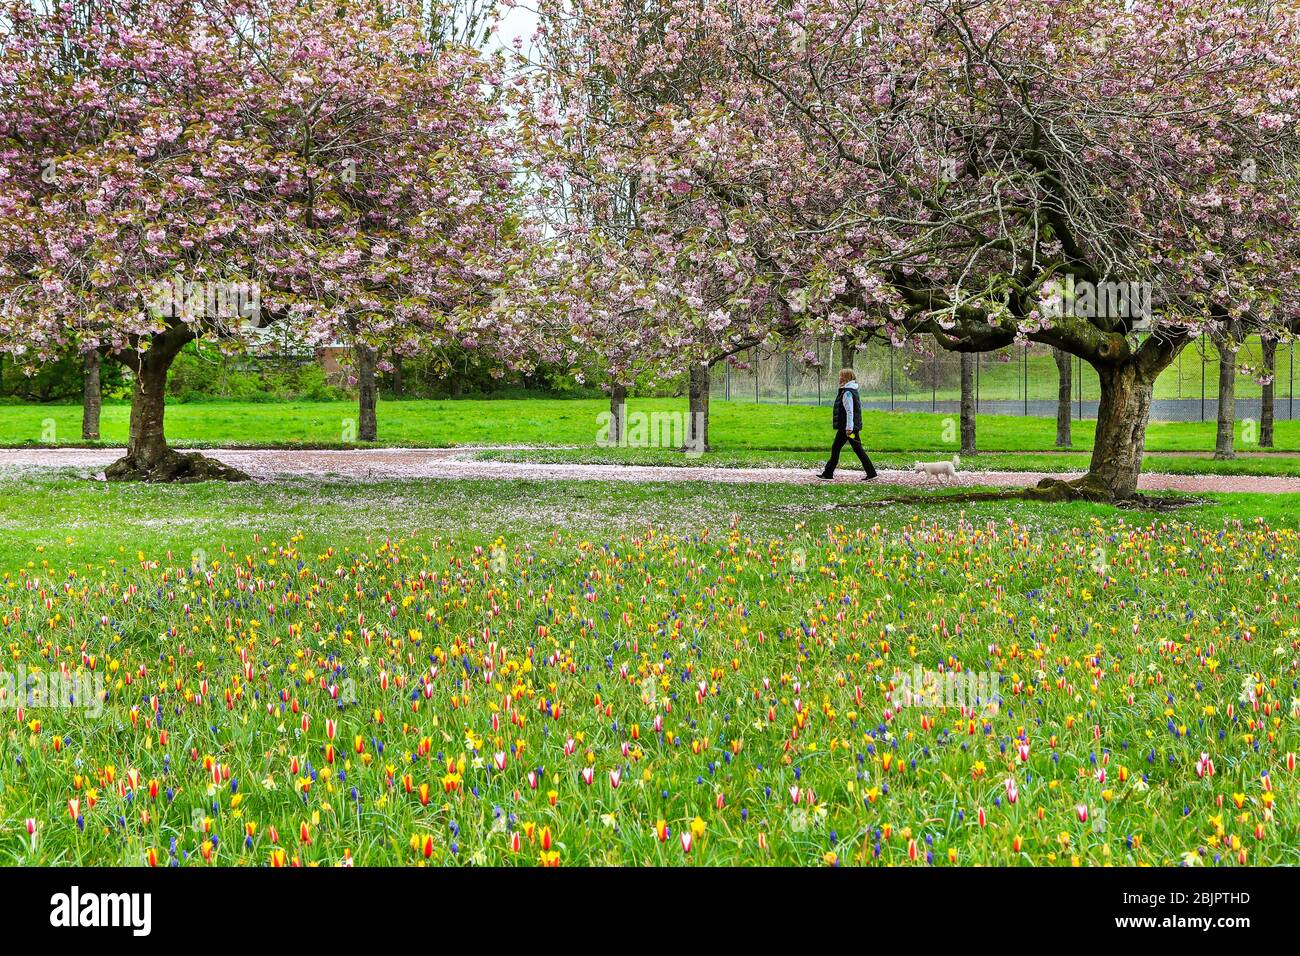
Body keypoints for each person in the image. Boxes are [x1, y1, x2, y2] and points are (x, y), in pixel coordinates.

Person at [817, 369, 877, 481]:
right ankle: (871, 473)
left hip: (847, 429)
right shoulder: (850, 390)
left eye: (840, 376)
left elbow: (850, 411)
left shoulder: (847, 392)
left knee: (837, 448)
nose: (838, 378)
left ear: (846, 378)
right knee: (856, 448)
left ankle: (828, 474)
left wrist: (849, 428)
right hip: (849, 428)